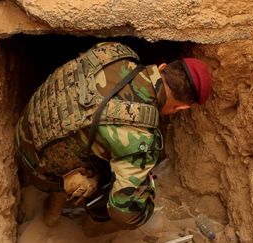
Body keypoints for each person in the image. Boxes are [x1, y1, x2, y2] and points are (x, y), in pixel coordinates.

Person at [14, 42, 211, 236]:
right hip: (38, 167)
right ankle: (89, 227)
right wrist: (146, 201)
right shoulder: (142, 136)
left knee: (89, 135)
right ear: (181, 108)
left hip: (26, 129)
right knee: (121, 186)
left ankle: (51, 213)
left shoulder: (115, 51)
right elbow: (125, 215)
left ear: (162, 67)